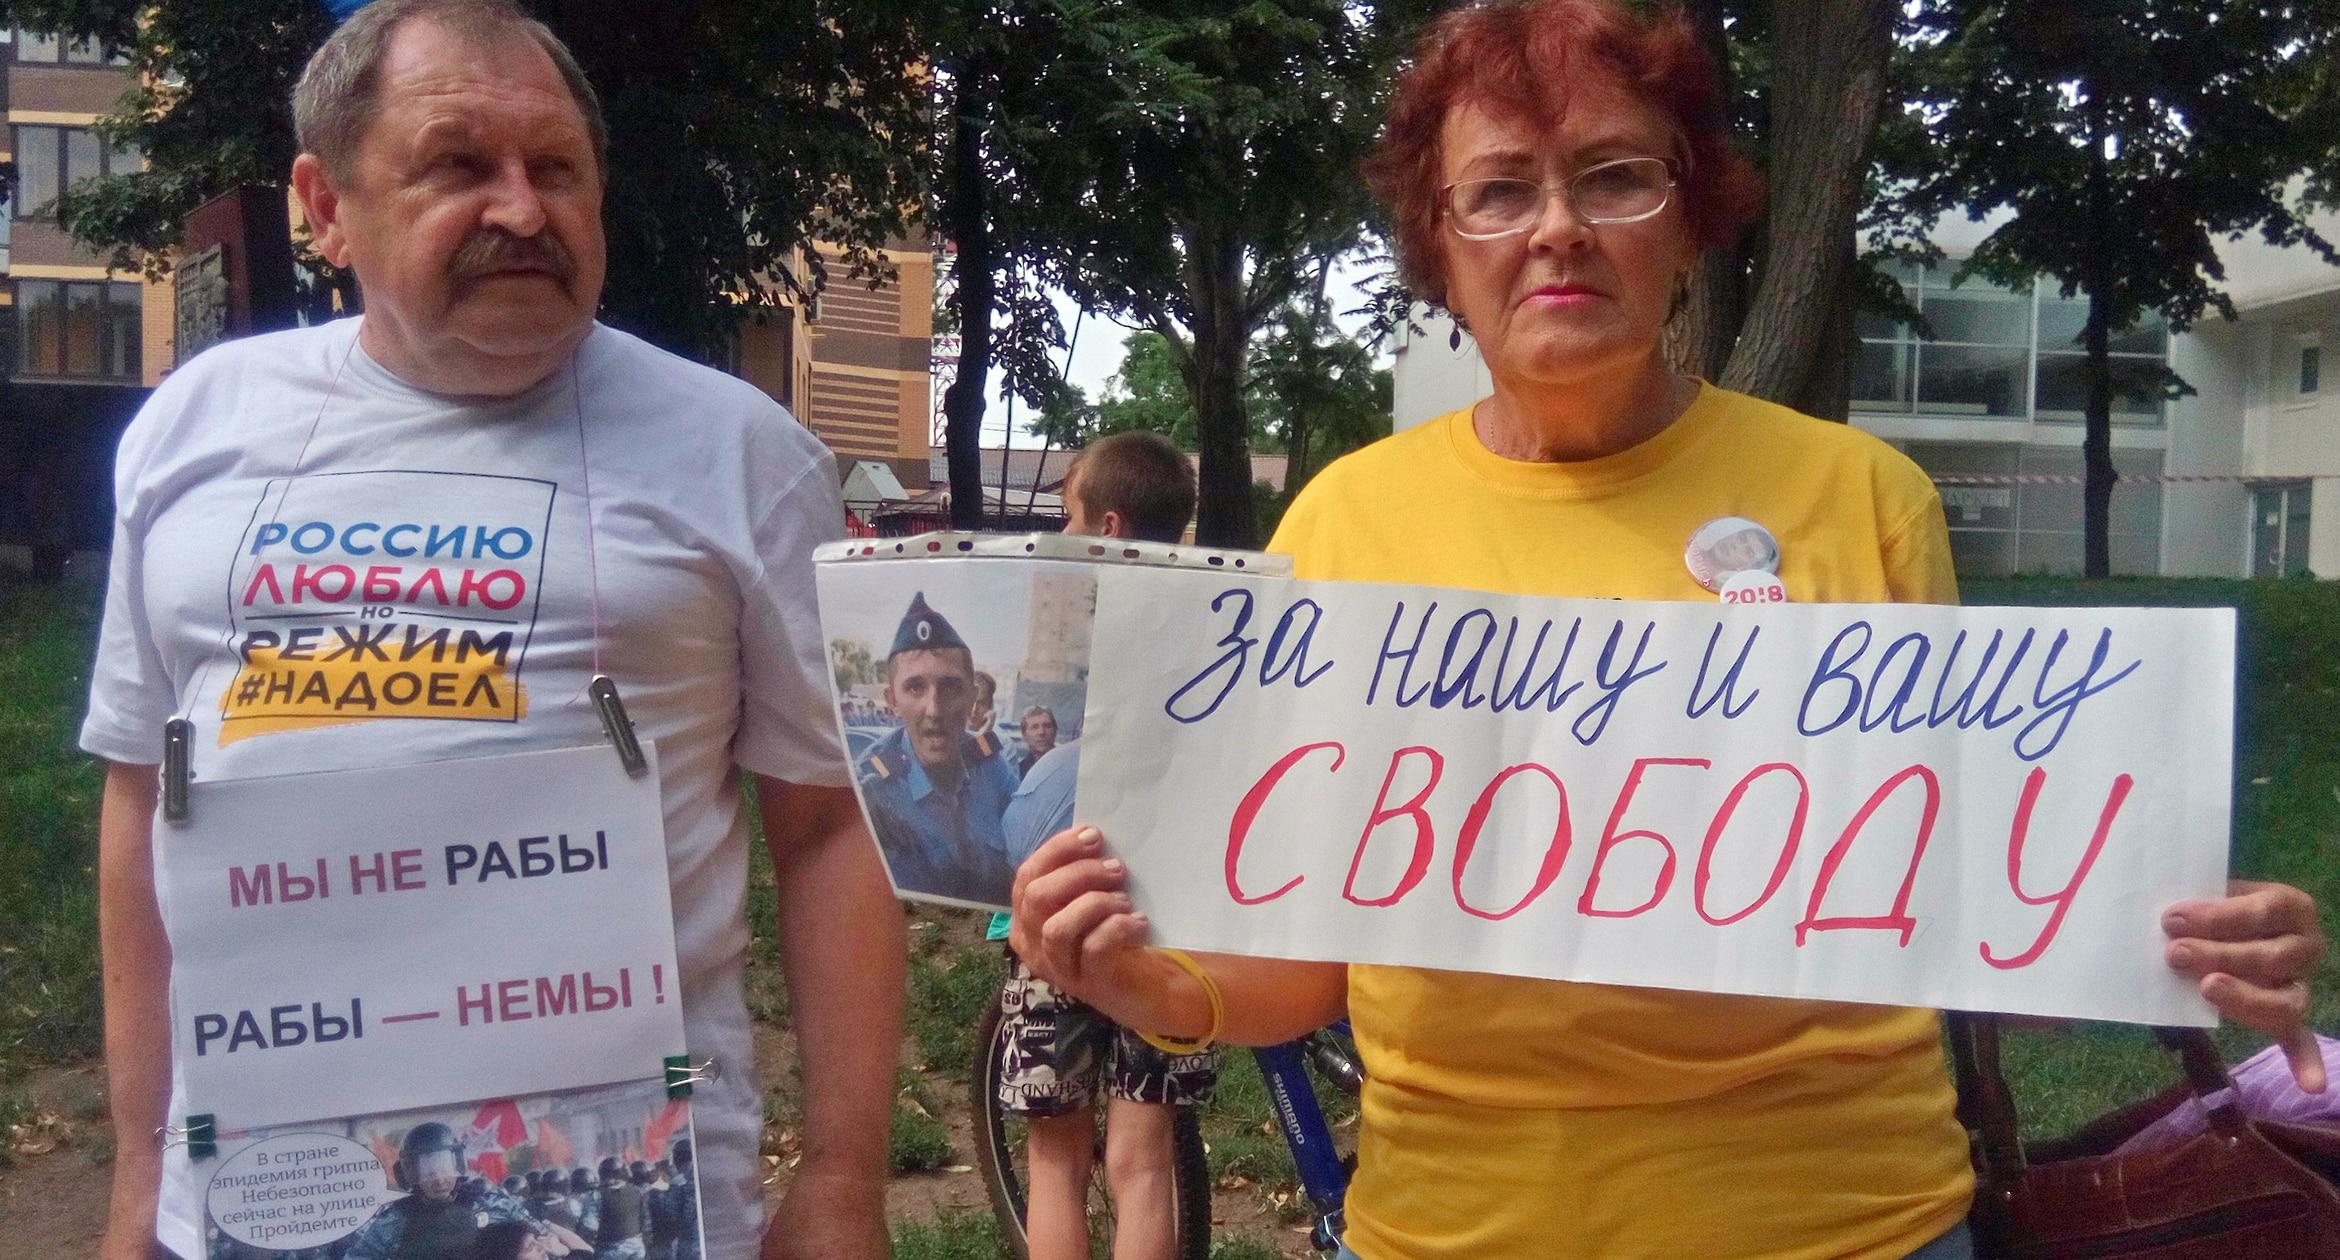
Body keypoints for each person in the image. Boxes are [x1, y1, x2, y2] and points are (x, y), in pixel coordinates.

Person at [1008, 3, 2329, 1259]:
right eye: (1500, 191)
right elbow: (1305, 968)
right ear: (1441, 251)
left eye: (1615, 177)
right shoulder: (1345, 527)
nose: (1559, 228)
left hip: (1853, 1227)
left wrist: (2171, 935)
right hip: (1455, 1230)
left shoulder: (1862, 500)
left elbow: (1962, 904)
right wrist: (1151, 989)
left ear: (1690, 222)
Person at [81, 5, 903, 1259]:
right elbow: (143, 792)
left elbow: (834, 822)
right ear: (326, 206)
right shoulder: (192, 432)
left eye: (556, 168)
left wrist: (844, 1182)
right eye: (458, 165)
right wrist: (140, 1181)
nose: (522, 210)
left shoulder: (740, 456)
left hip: (633, 1212)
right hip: (264, 1206)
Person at [995, 430, 1212, 1260]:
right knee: (1144, 1162)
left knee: (1056, 1159)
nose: (1063, 532)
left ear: (1109, 526)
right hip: (1170, 925)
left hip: (1057, 916)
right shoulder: (1214, 627)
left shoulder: (1065, 634)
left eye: (1070, 516)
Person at [854, 593, 1022, 903]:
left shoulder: (990, 764)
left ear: (972, 697)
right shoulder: (875, 785)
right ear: (892, 701)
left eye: (950, 687)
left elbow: (1027, 848)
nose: (934, 709)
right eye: (915, 687)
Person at [345, 1123, 581, 1260]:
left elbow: (540, 1239)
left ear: (457, 1163)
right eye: (428, 1172)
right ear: (411, 1173)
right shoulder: (395, 1219)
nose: (439, 1179)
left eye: (444, 1168)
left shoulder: (488, 1200)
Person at [1014, 706, 1058, 778]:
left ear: (1055, 731)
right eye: (1034, 727)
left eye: (1047, 726)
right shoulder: (1017, 772)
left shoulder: (1068, 765)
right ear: (1024, 735)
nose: (1041, 732)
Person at [969, 671, 1000, 736]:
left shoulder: (1001, 740)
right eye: (970, 701)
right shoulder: (949, 736)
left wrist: (986, 730)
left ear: (990, 706)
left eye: (981, 703)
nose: (974, 709)